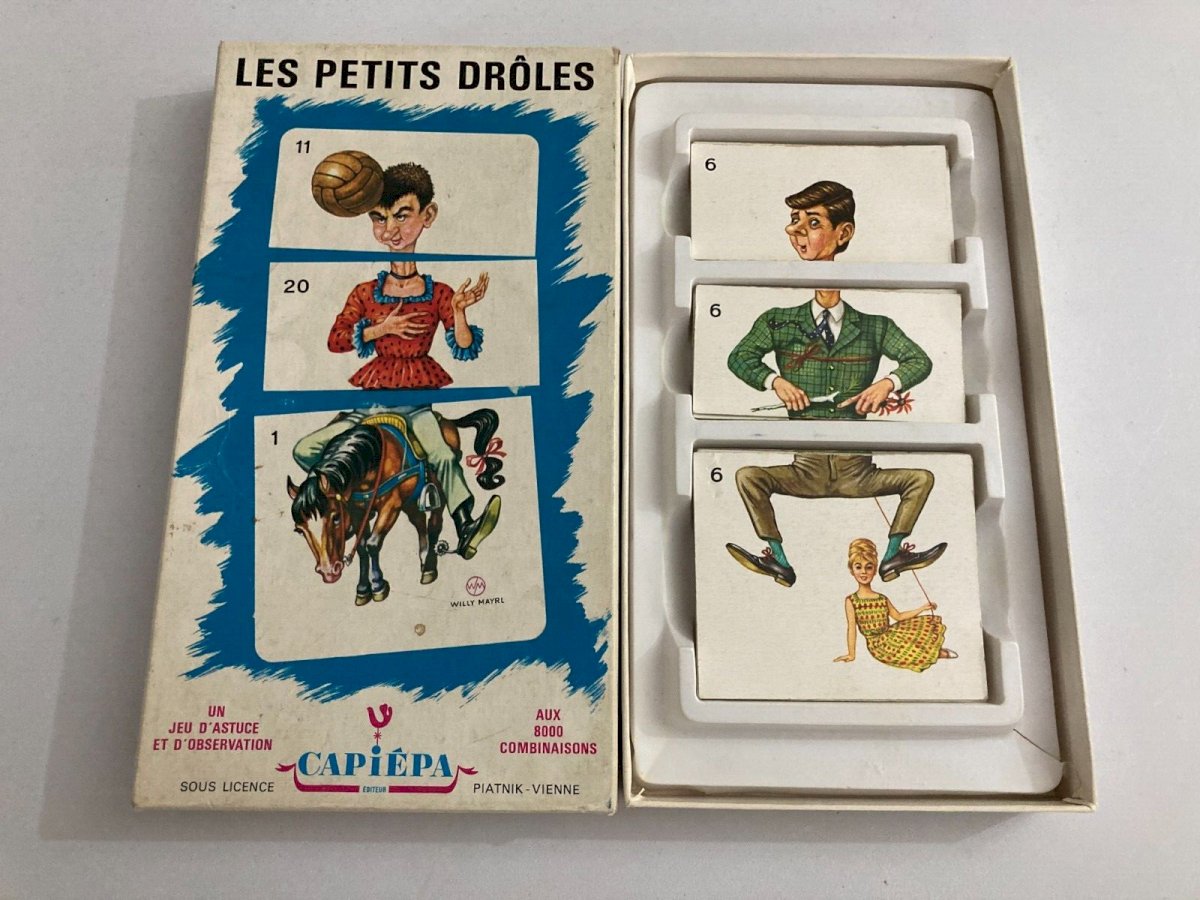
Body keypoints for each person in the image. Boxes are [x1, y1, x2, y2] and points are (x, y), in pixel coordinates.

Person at [724, 181, 946, 586]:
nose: (795, 231)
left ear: (843, 234)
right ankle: (778, 559)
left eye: (812, 222)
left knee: (921, 478)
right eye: (794, 221)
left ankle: (893, 555)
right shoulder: (777, 320)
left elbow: (920, 361)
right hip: (805, 469)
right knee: (747, 476)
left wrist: (887, 384)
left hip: (857, 470)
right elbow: (739, 358)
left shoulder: (876, 327)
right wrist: (775, 381)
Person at [327, 161, 488, 390]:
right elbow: (335, 341)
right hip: (375, 389)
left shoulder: (440, 294)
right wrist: (381, 329)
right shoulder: (364, 292)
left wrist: (459, 311)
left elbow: (465, 346)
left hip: (421, 388)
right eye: (379, 218)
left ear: (428, 215)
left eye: (401, 217)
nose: (389, 230)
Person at [292, 406, 500, 560]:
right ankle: (329, 497)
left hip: (412, 411)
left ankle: (464, 524)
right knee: (302, 450)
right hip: (362, 414)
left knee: (443, 456)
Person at [833, 538, 956, 670]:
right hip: (879, 646)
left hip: (890, 633)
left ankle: (936, 650)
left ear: (874, 570)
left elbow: (898, 616)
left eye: (868, 567)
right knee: (909, 650)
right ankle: (937, 653)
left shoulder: (882, 598)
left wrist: (921, 608)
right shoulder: (851, 600)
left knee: (915, 635)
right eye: (858, 567)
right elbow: (851, 628)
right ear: (852, 570)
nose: (863, 572)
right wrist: (851, 654)